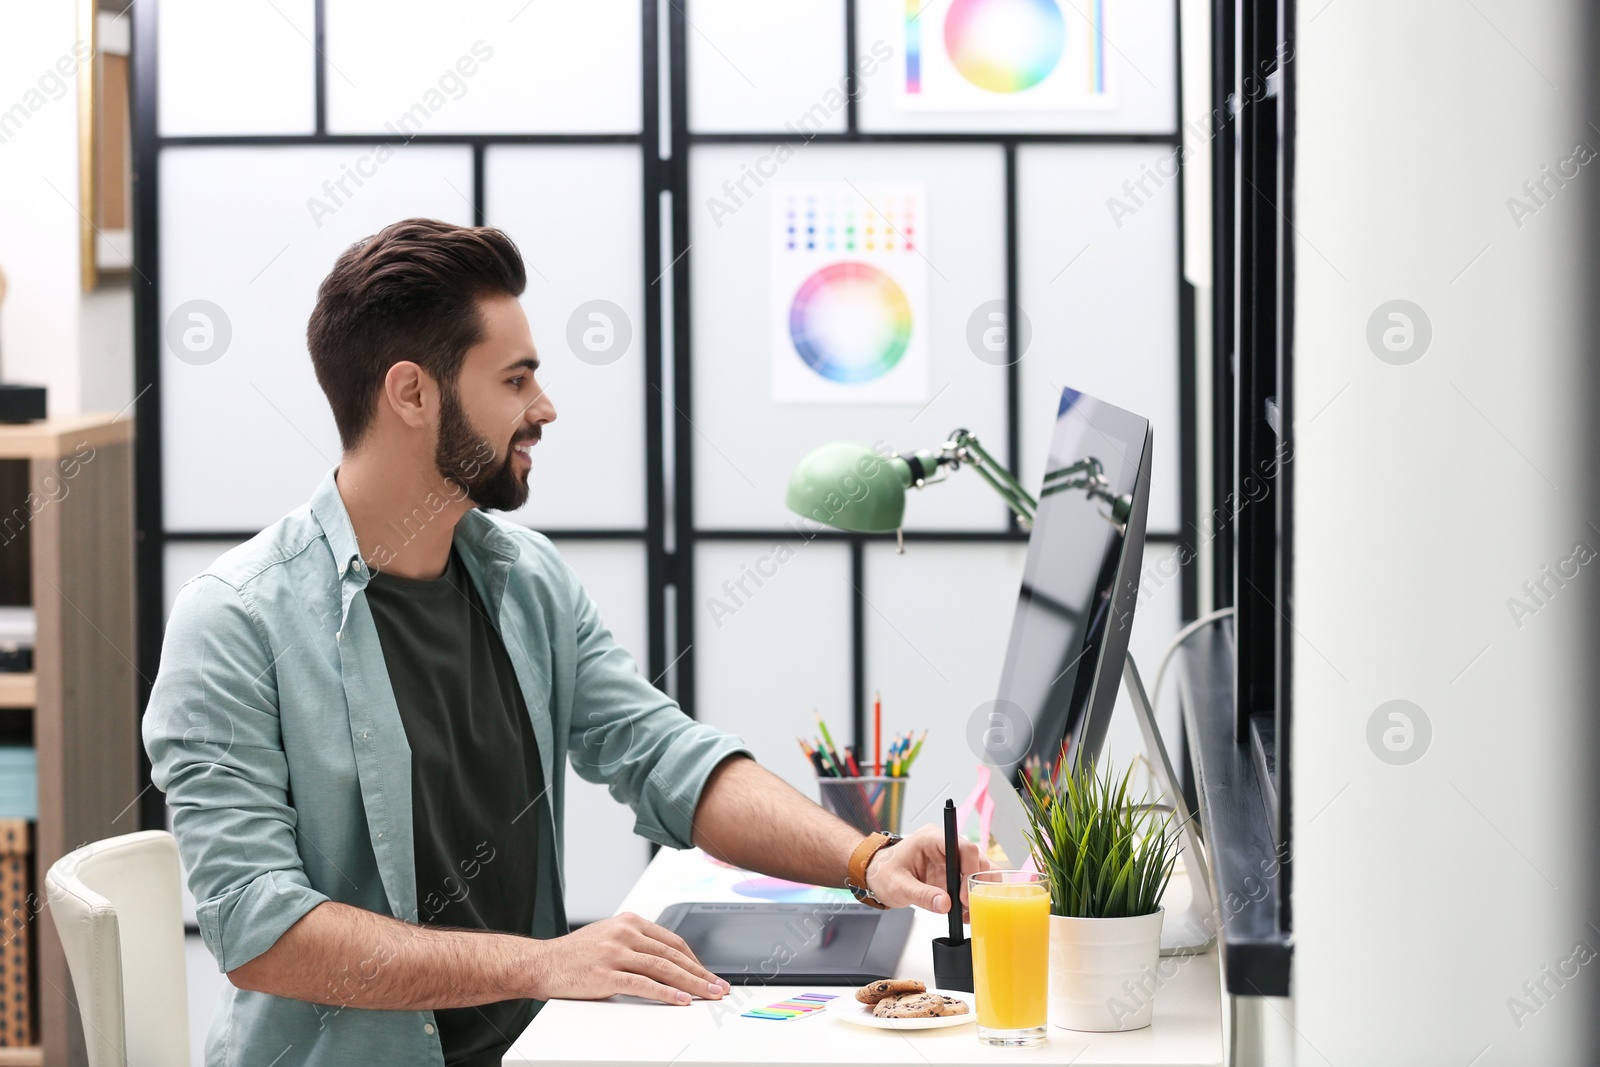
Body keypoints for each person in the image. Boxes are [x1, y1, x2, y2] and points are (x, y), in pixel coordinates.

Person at [144, 218, 988, 1067]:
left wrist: (866, 858)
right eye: (515, 381)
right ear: (411, 394)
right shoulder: (235, 623)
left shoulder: (524, 577)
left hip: (538, 1046)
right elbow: (260, 927)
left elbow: (663, 755)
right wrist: (546, 962)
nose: (543, 409)